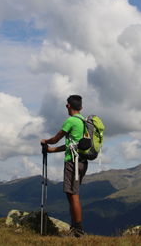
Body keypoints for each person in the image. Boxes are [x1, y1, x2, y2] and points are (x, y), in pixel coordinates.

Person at [40, 94, 88, 237]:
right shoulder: (83, 121)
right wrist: (52, 150)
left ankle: (78, 231)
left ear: (68, 106)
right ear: (81, 107)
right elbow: (71, 145)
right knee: (72, 194)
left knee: (73, 195)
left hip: (73, 162)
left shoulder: (71, 121)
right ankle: (75, 229)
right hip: (81, 162)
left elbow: (55, 139)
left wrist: (45, 141)